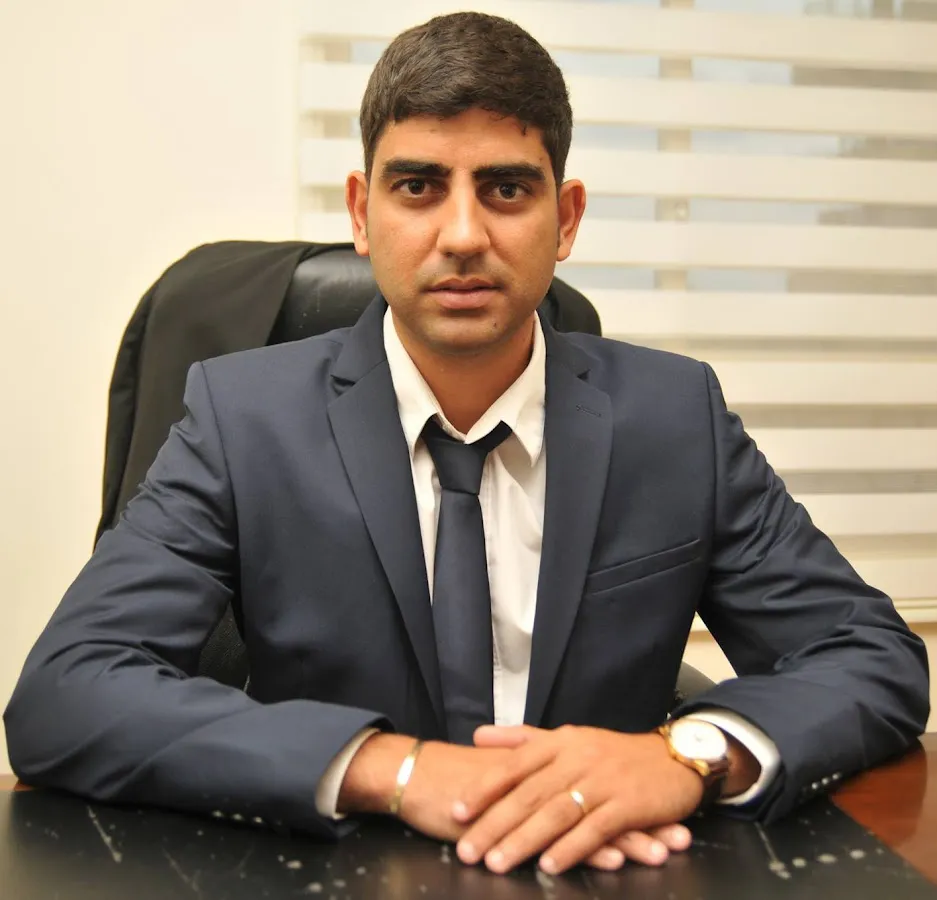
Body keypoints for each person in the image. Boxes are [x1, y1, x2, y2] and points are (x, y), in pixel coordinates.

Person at [4, 11, 928, 879]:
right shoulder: (243, 419)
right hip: (340, 871)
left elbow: (868, 654)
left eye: (506, 189)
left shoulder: (673, 416)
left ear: (566, 219)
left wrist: (686, 753)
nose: (461, 235)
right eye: (417, 186)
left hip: (604, 869)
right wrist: (392, 768)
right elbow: (66, 693)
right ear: (361, 213)